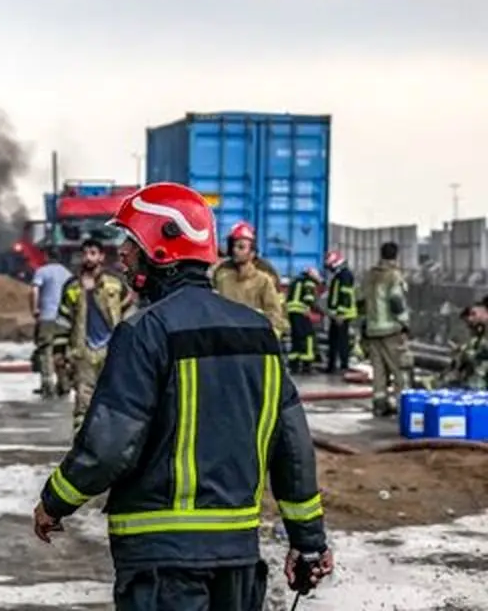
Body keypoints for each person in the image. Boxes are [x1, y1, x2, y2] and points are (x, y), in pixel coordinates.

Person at [31, 182, 332, 610]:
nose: (123, 254)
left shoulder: (144, 332)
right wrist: (308, 543)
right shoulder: (259, 334)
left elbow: (110, 444)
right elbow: (293, 448)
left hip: (161, 561)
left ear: (161, 248)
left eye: (131, 242)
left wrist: (54, 502)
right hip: (238, 560)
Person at [56, 234, 128, 432]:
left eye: (93, 253)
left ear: (101, 257)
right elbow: (63, 321)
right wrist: (59, 353)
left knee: (113, 401)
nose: (88, 257)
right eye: (85, 253)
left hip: (111, 351)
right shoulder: (71, 288)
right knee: (83, 401)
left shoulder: (115, 285)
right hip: (83, 353)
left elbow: (129, 315)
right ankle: (82, 444)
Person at [359, 241, 412, 417]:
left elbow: (360, 301)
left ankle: (379, 404)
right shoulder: (393, 275)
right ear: (396, 255)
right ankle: (402, 406)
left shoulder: (369, 276)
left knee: (379, 370)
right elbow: (396, 300)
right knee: (399, 369)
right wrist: (404, 323)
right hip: (391, 330)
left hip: (372, 330)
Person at [212, 220, 288, 340]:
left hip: (253, 343)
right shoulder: (221, 276)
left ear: (252, 252)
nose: (235, 250)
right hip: (225, 341)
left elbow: (276, 316)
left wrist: (268, 340)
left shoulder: (264, 280)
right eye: (234, 246)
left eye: (241, 247)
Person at [30, 247, 73, 398]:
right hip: (64, 319)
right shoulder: (67, 273)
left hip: (47, 317)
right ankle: (64, 383)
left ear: (47, 256)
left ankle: (47, 385)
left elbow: (34, 290)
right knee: (61, 351)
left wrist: (35, 309)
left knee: (45, 351)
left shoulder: (42, 271)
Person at [323, 250, 358, 375]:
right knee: (333, 340)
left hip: (342, 315)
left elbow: (345, 296)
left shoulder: (345, 275)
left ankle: (343, 365)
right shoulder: (339, 275)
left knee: (341, 340)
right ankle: (332, 365)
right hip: (336, 314)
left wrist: (340, 314)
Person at [285, 267, 324, 374]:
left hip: (291, 312)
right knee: (308, 337)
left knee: (296, 337)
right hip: (301, 312)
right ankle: (307, 365)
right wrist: (320, 312)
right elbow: (309, 300)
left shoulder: (296, 281)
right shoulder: (309, 283)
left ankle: (294, 365)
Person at [443, 299, 488, 389]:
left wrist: (465, 353)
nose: (471, 319)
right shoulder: (479, 335)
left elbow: (480, 353)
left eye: (474, 314)